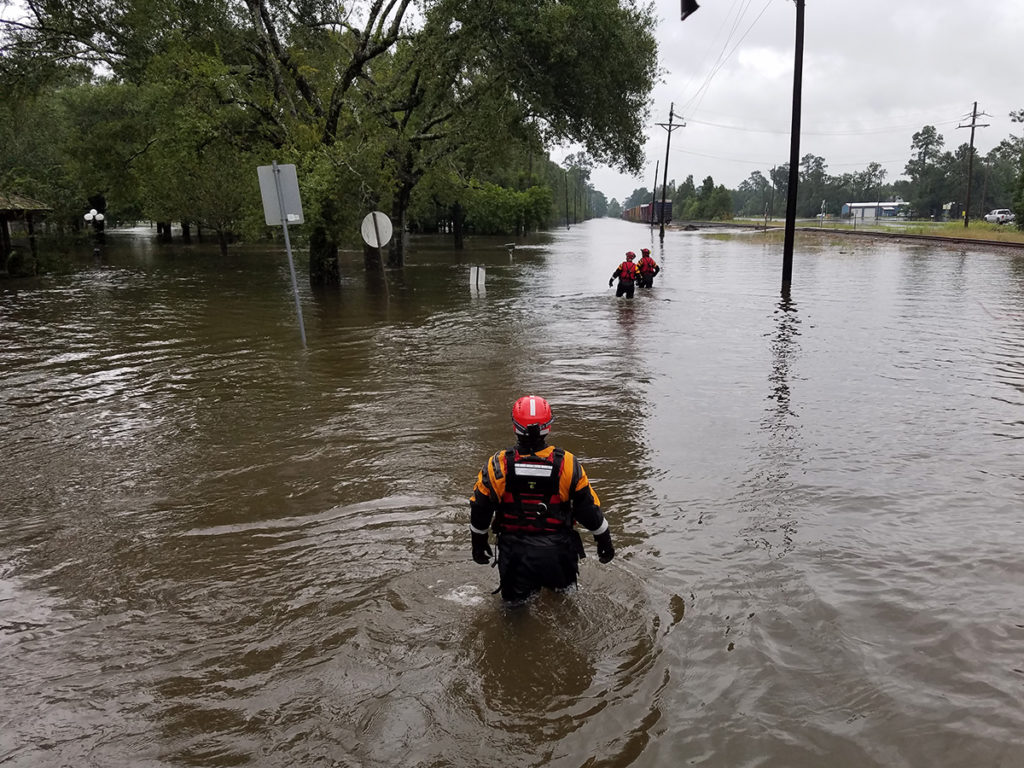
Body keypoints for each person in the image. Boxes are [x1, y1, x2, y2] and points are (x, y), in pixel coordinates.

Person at [469, 395, 615, 603]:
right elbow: (588, 510)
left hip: (515, 556)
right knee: (564, 607)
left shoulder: (497, 466)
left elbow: (480, 509)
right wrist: (604, 541)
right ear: (548, 427)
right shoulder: (568, 464)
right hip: (558, 554)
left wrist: (478, 542)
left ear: (515, 427)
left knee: (514, 612)